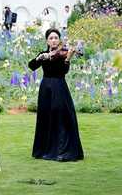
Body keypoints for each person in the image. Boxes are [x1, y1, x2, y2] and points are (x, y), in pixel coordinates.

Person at [28, 28, 84, 162]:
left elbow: (63, 71)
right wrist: (39, 58)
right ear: (47, 41)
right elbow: (32, 66)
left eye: (56, 38)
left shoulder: (63, 53)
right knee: (45, 117)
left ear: (59, 40)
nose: (53, 40)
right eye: (51, 38)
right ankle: (44, 150)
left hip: (59, 87)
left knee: (61, 116)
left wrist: (68, 58)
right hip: (46, 88)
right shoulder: (44, 54)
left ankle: (61, 151)